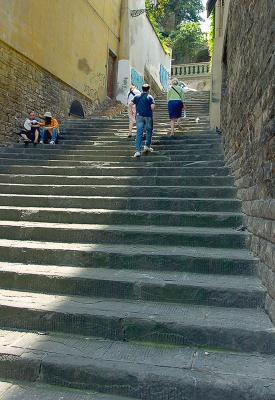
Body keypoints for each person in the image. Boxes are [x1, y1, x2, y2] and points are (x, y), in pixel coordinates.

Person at [131, 83, 155, 158]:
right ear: (149, 89)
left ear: (142, 89)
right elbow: (152, 108)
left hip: (139, 116)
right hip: (148, 116)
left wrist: (131, 114)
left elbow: (130, 104)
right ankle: (147, 146)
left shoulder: (137, 96)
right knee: (149, 131)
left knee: (139, 133)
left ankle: (137, 151)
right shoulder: (150, 97)